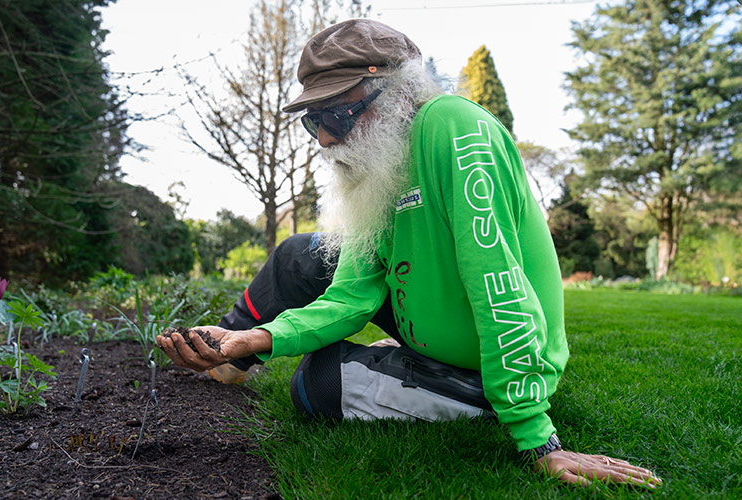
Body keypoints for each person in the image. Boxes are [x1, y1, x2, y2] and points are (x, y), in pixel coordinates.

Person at [157, 19, 661, 488]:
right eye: (314, 122)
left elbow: (497, 284)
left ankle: (496, 398)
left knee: (316, 385)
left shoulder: (454, 129)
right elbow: (351, 297)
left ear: (397, 93)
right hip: (431, 340)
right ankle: (238, 355)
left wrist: (537, 437)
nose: (327, 138)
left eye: (337, 114)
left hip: (493, 364)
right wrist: (254, 340)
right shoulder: (378, 168)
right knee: (300, 256)